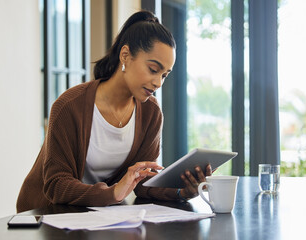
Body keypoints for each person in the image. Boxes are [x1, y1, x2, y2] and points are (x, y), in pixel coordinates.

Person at [16, 10, 212, 213]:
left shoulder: (151, 113)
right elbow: (56, 185)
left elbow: (143, 183)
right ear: (125, 55)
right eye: (153, 69)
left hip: (94, 216)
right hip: (43, 215)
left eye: (164, 75)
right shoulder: (69, 106)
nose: (158, 83)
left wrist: (183, 192)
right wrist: (112, 193)